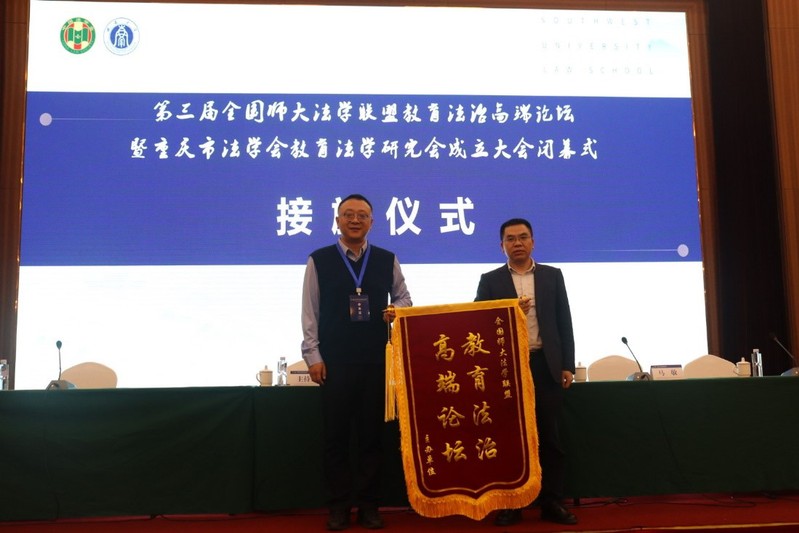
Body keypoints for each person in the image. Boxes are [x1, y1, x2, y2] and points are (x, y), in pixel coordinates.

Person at [301, 193, 412, 531]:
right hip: (334, 363)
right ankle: (338, 507)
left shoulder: (387, 259)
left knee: (371, 439)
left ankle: (368, 506)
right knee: (335, 439)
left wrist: (396, 311)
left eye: (362, 215)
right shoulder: (319, 260)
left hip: (377, 362)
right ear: (337, 220)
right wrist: (313, 355)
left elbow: (404, 298)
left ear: (371, 222)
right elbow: (310, 311)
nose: (354, 220)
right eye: (348, 214)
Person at [474, 217, 577, 527]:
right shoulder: (490, 280)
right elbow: (478, 322)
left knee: (550, 437)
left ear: (533, 241)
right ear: (502, 245)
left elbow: (564, 321)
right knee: (511, 438)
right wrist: (511, 311)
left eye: (522, 237)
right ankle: (512, 503)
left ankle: (552, 502)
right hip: (508, 367)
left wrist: (567, 364)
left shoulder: (552, 276)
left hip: (545, 364)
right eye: (510, 239)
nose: (517, 243)